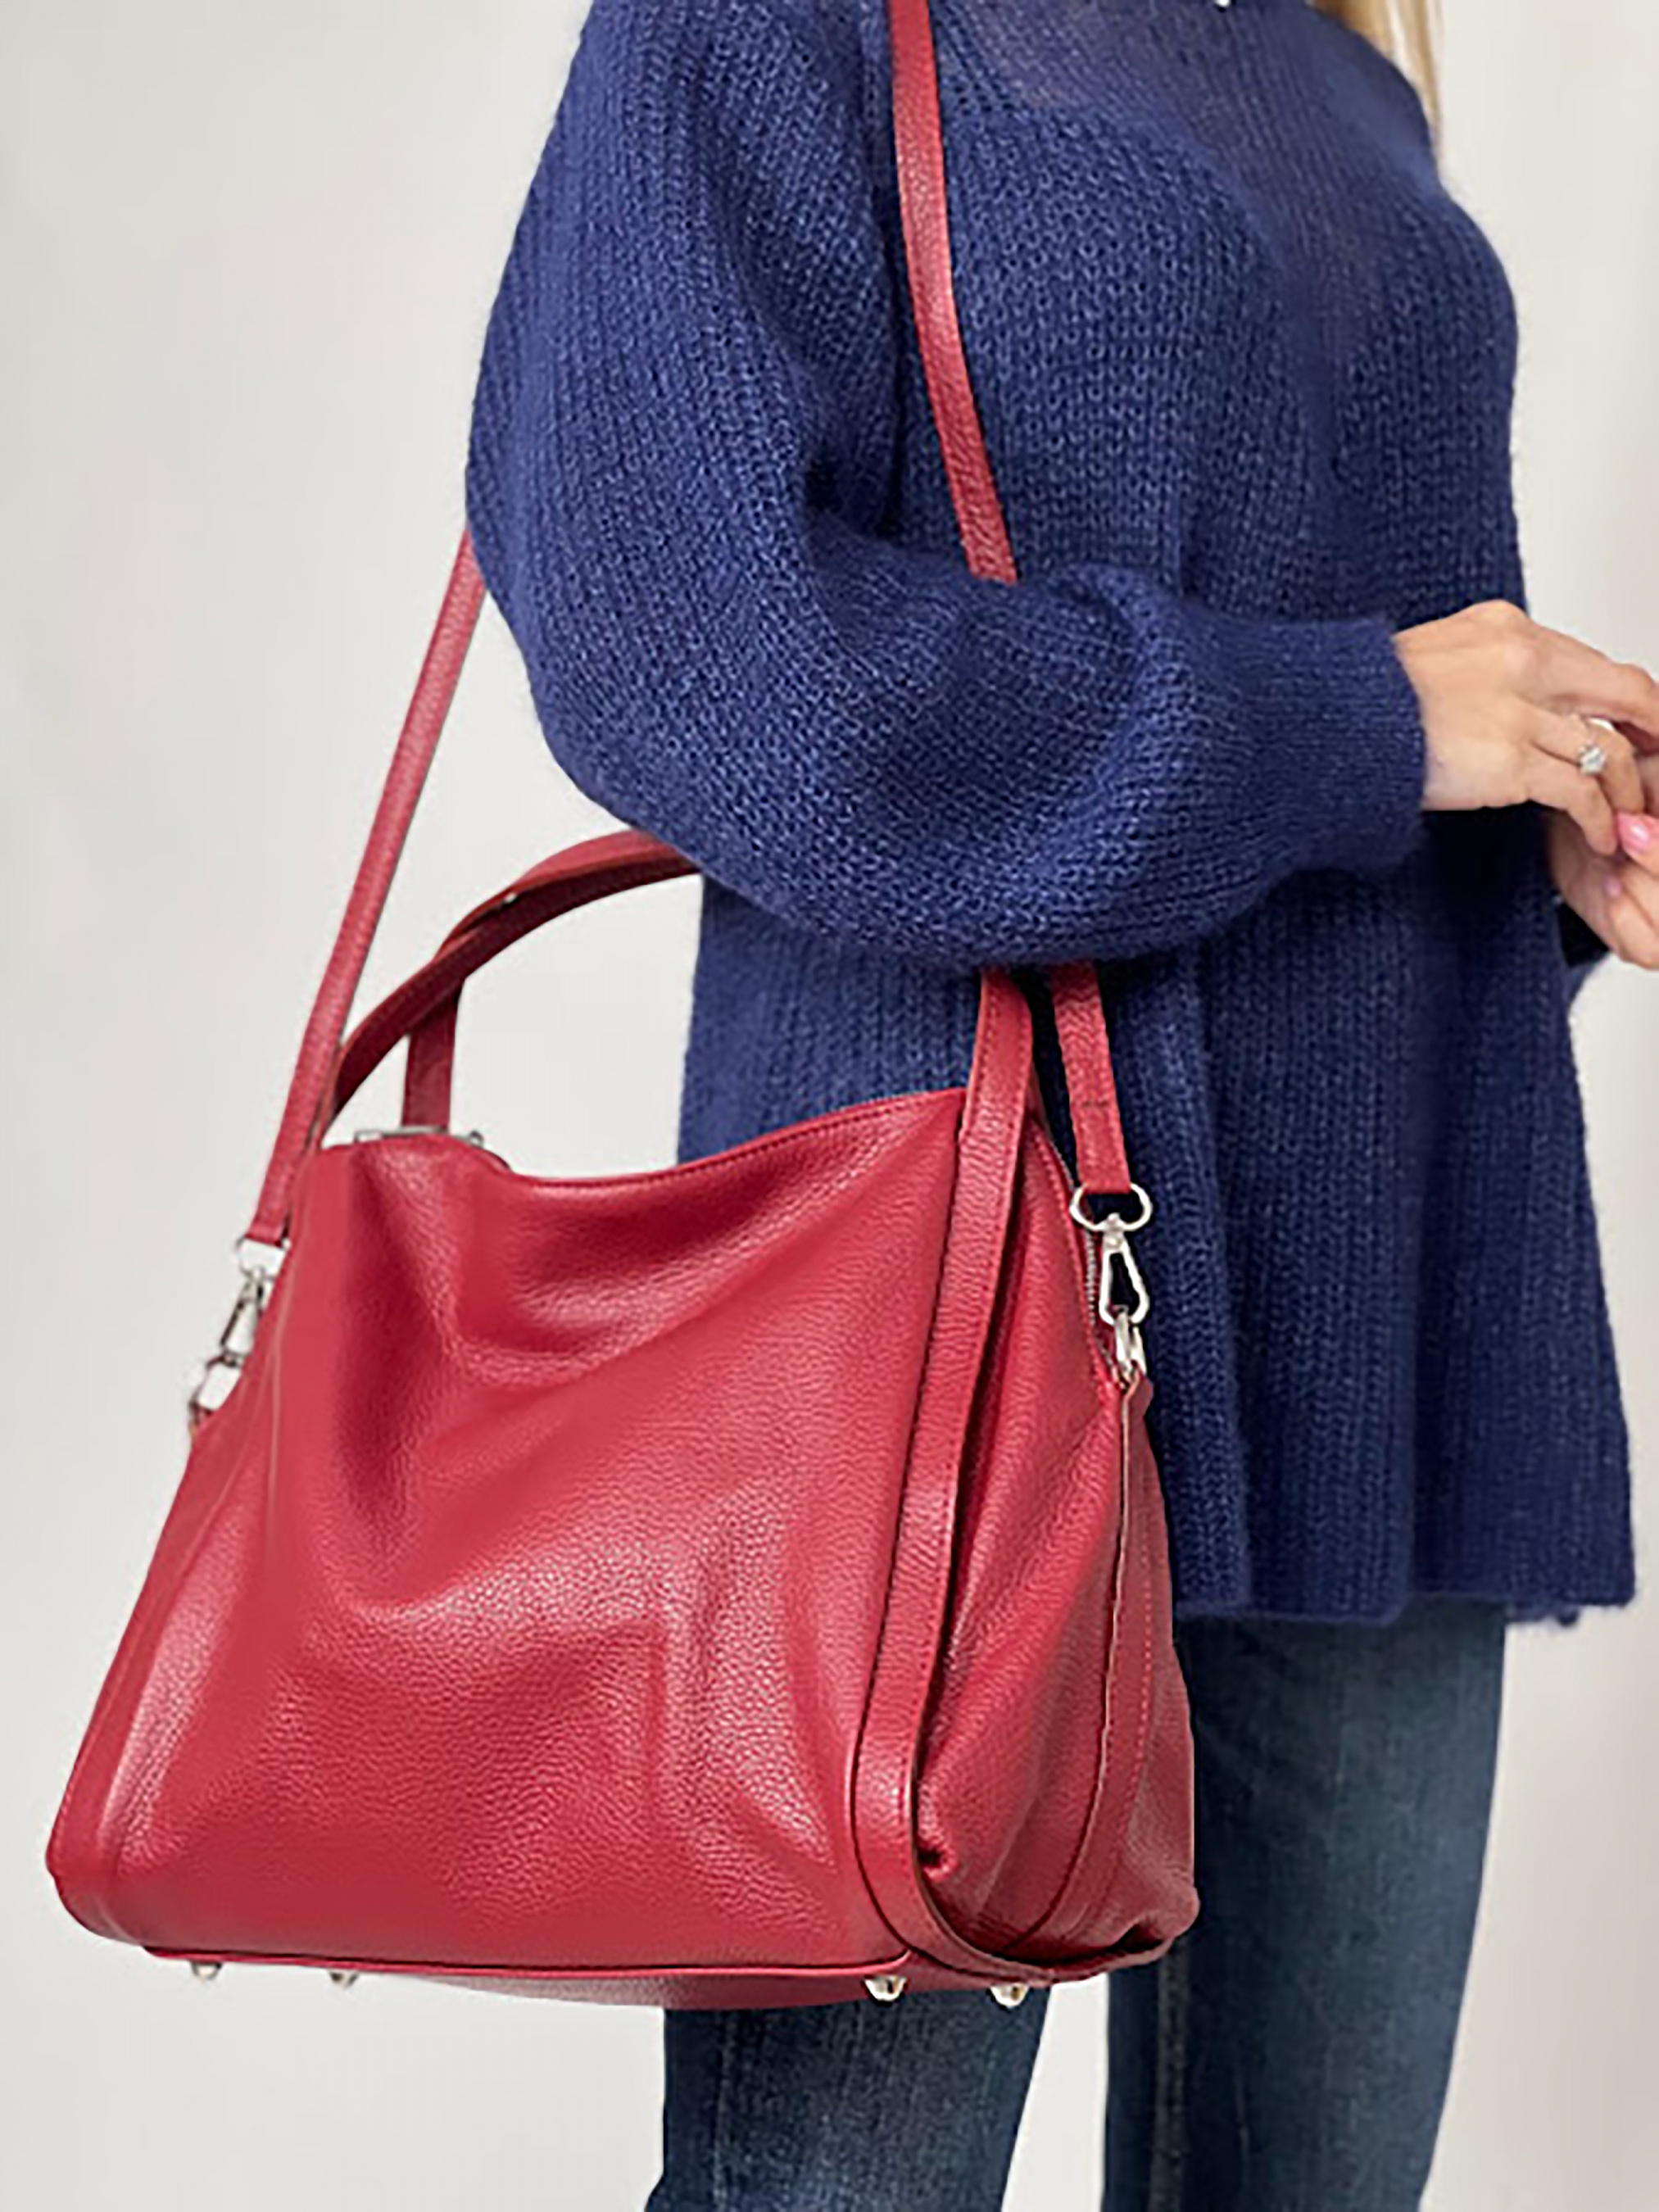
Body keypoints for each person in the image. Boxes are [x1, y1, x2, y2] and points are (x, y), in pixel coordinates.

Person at [462, 0, 1658, 2203]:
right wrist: (1358, 725)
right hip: (942, 1310)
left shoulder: (1340, 47)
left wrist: (1534, 850)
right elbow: (681, 639)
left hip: (1378, 1322)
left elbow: (1350, 683)